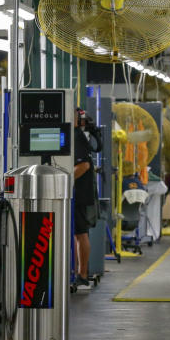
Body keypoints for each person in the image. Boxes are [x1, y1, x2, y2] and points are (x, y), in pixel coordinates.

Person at [72, 108, 101, 287]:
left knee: (80, 233)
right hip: (79, 192)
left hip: (79, 193)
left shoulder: (77, 136)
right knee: (77, 234)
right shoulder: (76, 135)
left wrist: (66, 180)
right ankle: (77, 271)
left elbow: (83, 165)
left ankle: (82, 273)